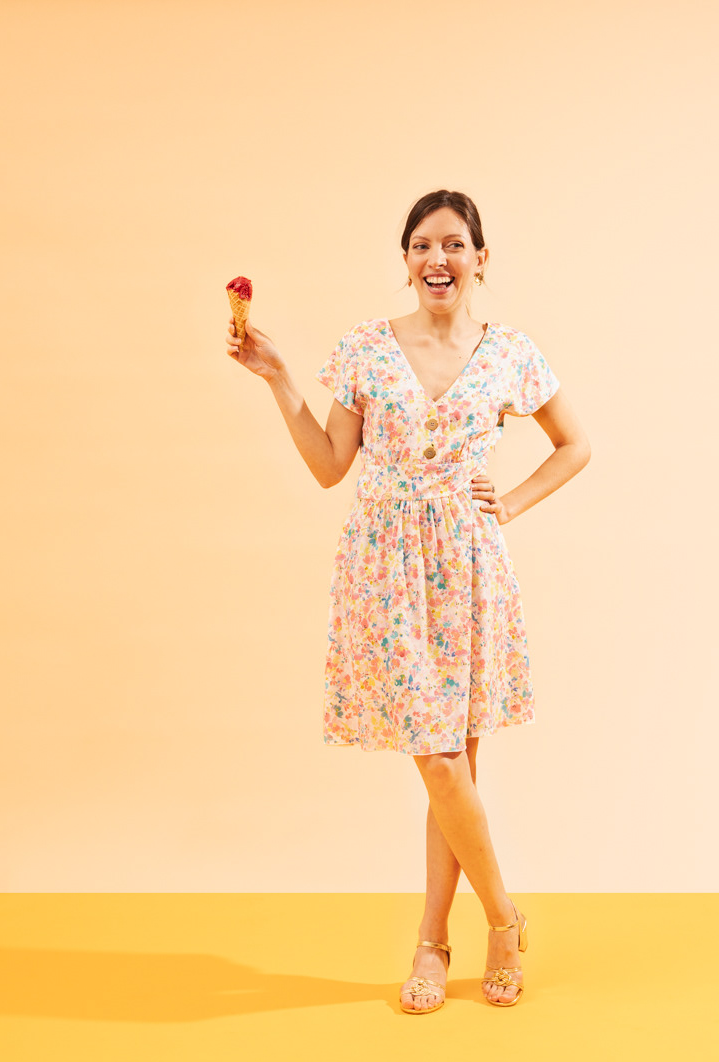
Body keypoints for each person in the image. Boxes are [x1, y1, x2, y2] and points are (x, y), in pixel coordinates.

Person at [226, 189, 591, 1014]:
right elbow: (331, 466)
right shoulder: (365, 347)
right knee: (438, 761)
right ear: (405, 259)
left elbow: (576, 444)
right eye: (423, 245)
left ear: (481, 259)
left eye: (455, 244)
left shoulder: (511, 353)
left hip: (468, 565)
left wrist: (511, 503)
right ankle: (504, 919)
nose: (438, 259)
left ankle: (432, 943)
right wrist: (279, 378)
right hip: (385, 569)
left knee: (453, 766)